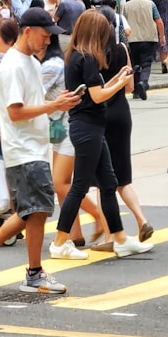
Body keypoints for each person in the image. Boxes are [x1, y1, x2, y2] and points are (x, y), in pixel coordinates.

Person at [0, 8, 83, 294]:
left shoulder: (30, 61)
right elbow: (15, 112)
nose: (47, 42)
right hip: (23, 149)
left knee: (34, 210)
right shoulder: (13, 66)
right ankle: (29, 270)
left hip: (34, 147)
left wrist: (57, 102)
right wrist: (53, 106)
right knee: (37, 209)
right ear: (27, 31)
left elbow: (31, 102)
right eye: (44, 36)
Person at [47, 10, 151, 260]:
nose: (107, 38)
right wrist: (118, 83)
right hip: (88, 126)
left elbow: (96, 89)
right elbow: (97, 96)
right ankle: (60, 242)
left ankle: (121, 239)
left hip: (88, 125)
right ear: (97, 33)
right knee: (80, 185)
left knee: (108, 183)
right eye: (104, 32)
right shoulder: (88, 58)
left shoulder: (75, 55)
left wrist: (115, 78)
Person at [38, 32, 109, 246]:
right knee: (64, 182)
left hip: (68, 127)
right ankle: (74, 234)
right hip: (62, 127)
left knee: (61, 182)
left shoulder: (51, 66)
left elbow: (32, 95)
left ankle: (96, 216)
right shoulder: (58, 61)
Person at [97, 5, 153, 241]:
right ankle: (142, 220)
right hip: (122, 113)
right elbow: (130, 86)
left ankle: (110, 236)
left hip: (101, 113)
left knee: (103, 180)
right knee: (123, 176)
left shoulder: (92, 52)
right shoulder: (122, 49)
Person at [121, 0, 165, 101]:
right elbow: (159, 21)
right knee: (146, 63)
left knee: (135, 64)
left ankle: (136, 90)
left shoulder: (127, 6)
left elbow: (123, 22)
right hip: (149, 38)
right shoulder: (151, 4)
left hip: (132, 39)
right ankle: (143, 83)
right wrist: (162, 36)